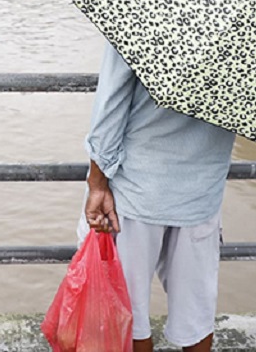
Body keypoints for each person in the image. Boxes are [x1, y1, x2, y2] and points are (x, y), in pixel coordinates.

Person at [80, 40, 236, 352]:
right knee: (196, 316)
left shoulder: (141, 14)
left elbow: (111, 103)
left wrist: (98, 182)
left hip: (136, 190)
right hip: (201, 193)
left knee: (127, 312)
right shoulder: (253, 32)